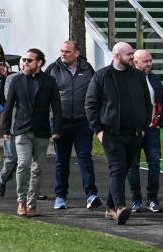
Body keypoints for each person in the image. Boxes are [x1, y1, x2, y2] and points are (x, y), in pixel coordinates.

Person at [85, 42, 151, 225]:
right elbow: (90, 105)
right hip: (111, 133)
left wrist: (143, 126)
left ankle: (109, 208)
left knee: (123, 170)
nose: (132, 57)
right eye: (129, 54)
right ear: (117, 55)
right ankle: (120, 207)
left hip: (134, 133)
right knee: (117, 168)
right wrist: (98, 131)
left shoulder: (138, 76)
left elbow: (147, 102)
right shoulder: (101, 76)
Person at [2, 49, 62, 218]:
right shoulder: (16, 80)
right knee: (23, 164)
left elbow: (56, 107)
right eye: (23, 60)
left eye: (29, 60)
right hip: (22, 129)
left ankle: (32, 204)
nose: (25, 63)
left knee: (37, 169)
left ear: (39, 63)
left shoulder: (49, 81)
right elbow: (9, 106)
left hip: (42, 131)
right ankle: (21, 202)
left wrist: (57, 129)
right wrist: (5, 129)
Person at [44, 41, 102, 211]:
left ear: (76, 53)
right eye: (61, 51)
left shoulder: (88, 69)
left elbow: (95, 94)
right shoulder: (52, 69)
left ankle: (91, 195)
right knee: (61, 162)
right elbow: (45, 95)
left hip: (83, 122)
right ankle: (60, 197)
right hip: (60, 123)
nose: (63, 54)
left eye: (67, 51)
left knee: (85, 158)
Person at [128, 49, 163, 213]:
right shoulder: (127, 78)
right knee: (133, 166)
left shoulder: (155, 78)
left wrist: (159, 122)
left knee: (155, 164)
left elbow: (160, 101)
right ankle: (136, 200)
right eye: (146, 61)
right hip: (132, 131)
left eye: (150, 60)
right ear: (135, 62)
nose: (150, 64)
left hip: (152, 130)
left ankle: (152, 199)